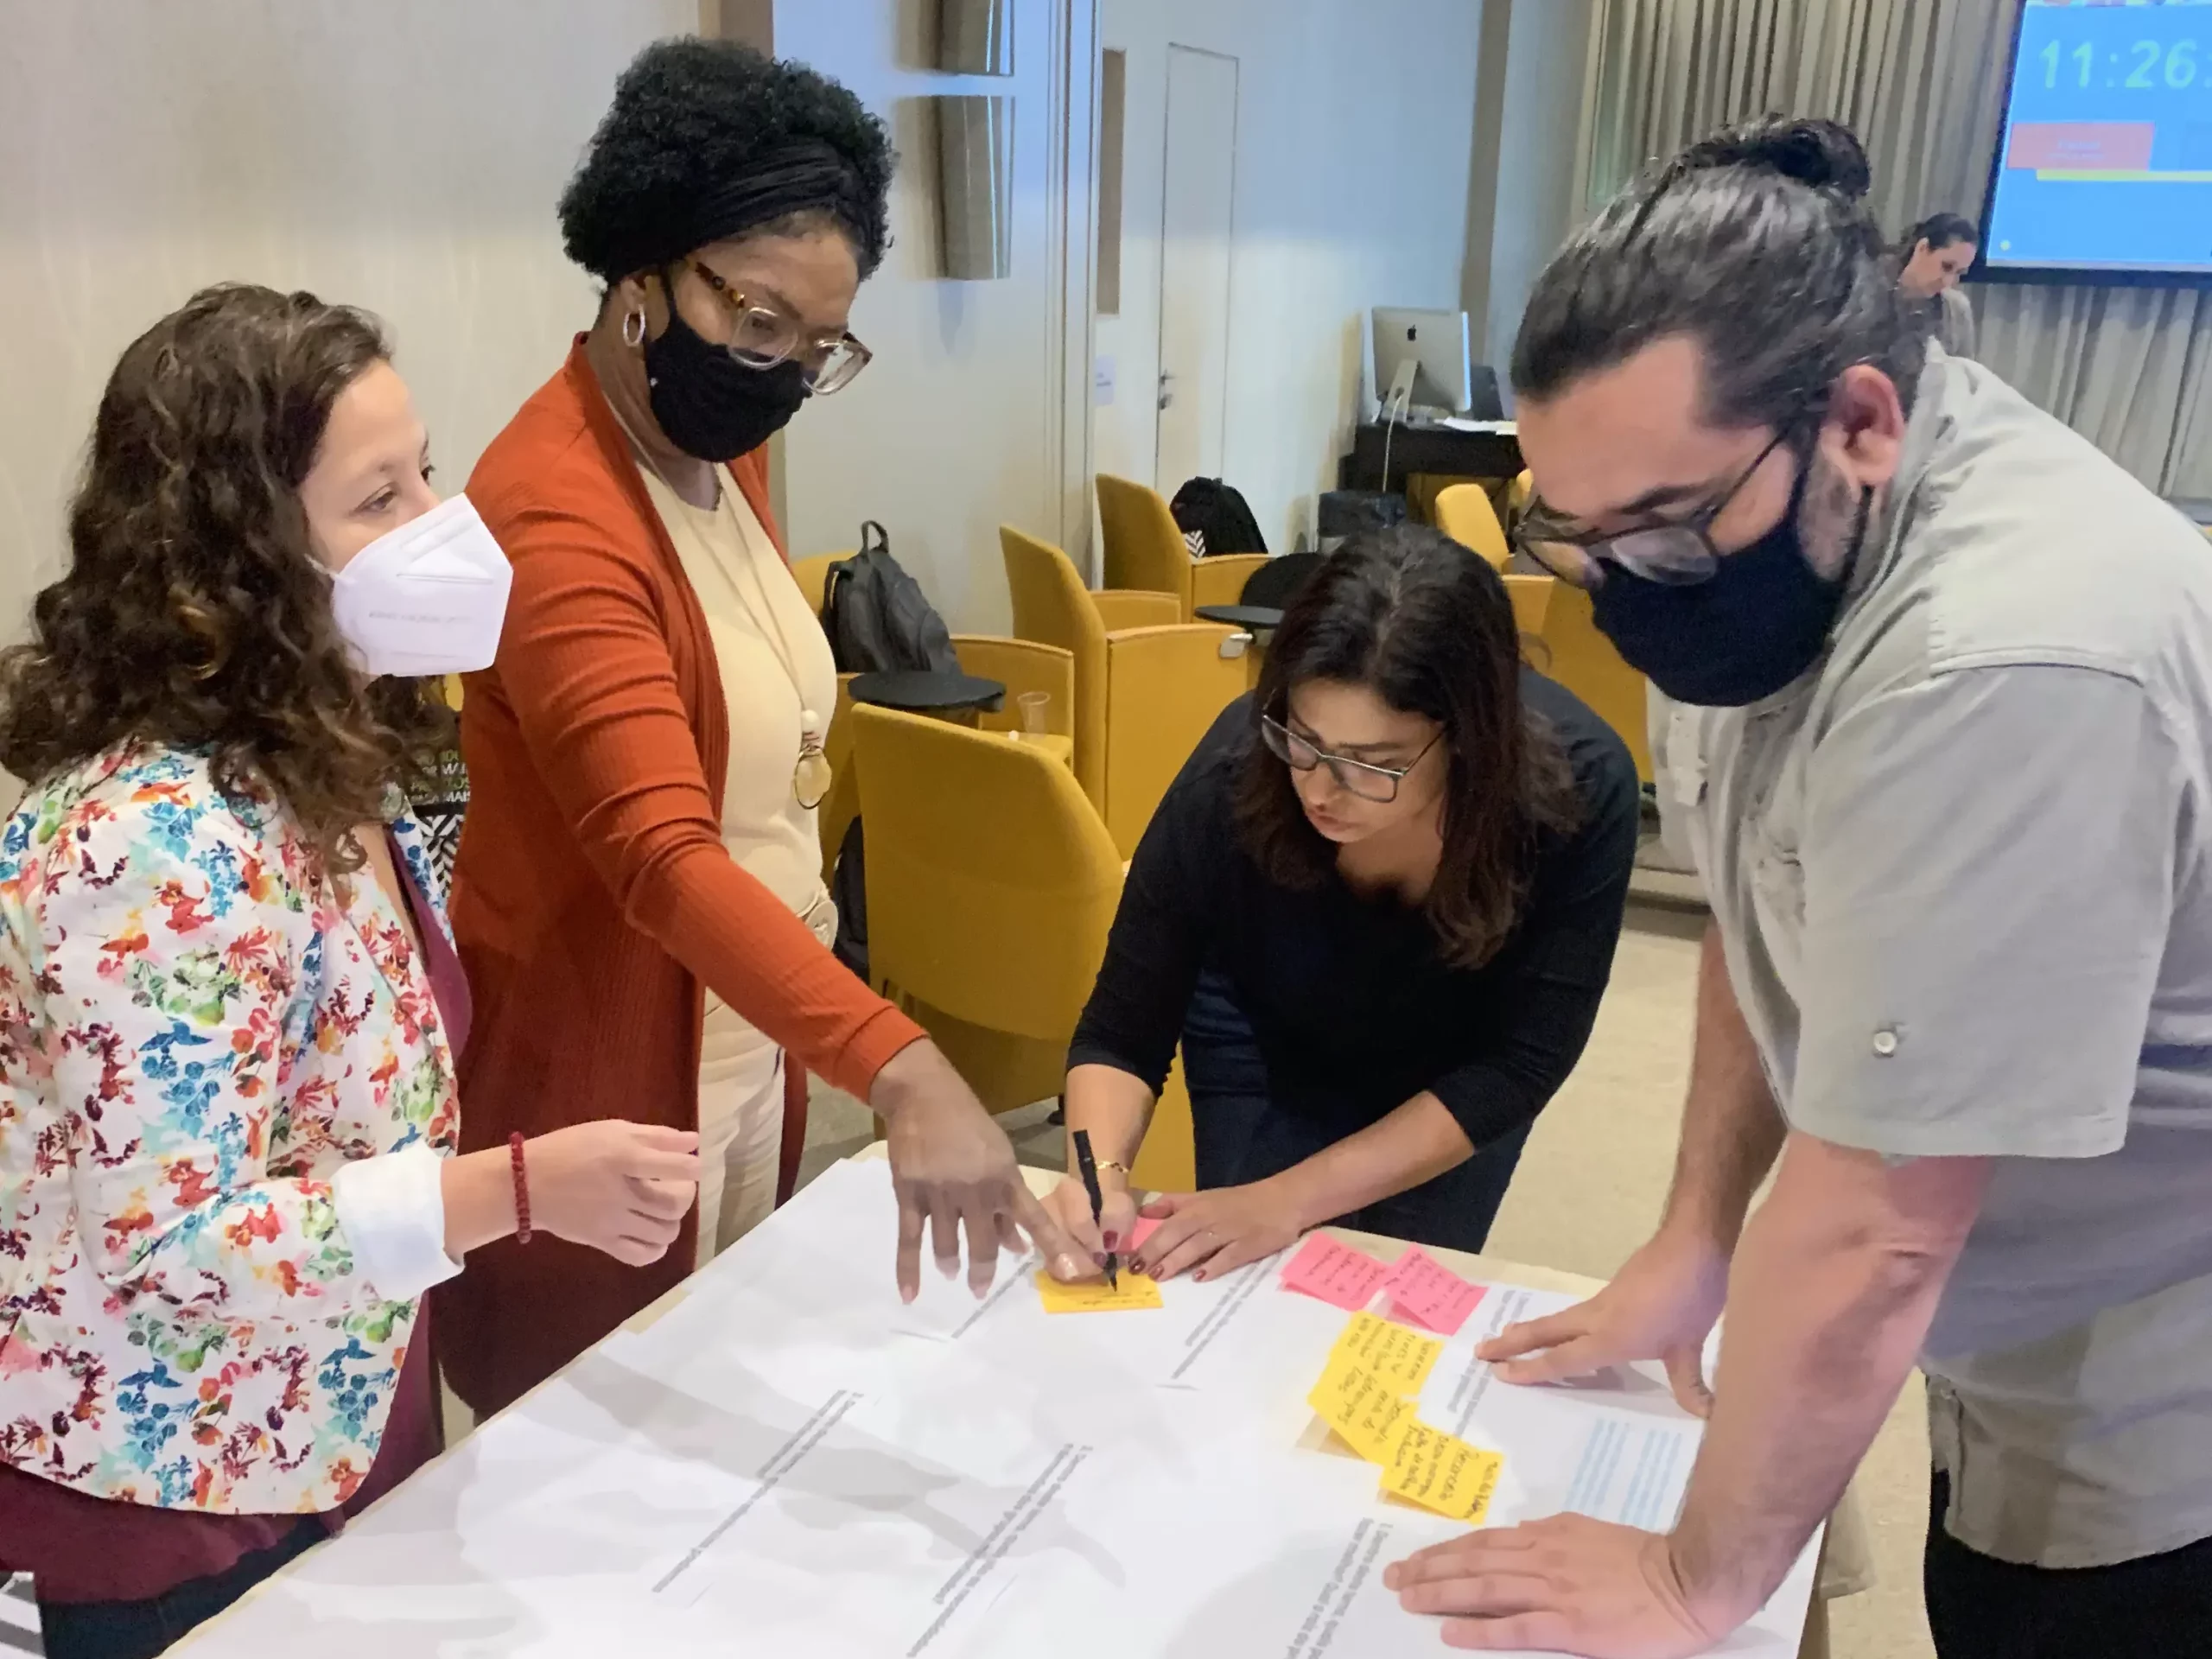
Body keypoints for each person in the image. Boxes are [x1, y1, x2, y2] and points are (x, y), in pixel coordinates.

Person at [1384, 116, 2212, 1659]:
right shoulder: (1754, 552)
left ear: (1863, 422)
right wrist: (1696, 1234)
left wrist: (1696, 1578)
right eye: (1574, 536)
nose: (1626, 585)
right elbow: (1772, 920)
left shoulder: (2005, 660)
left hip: (2158, 1390)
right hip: (2017, 1322)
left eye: (1669, 533)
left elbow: (1880, 1229)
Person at [0, 284, 699, 1659]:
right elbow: (172, 1242)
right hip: (168, 1495)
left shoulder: (307, 760)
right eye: (380, 498)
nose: (441, 523)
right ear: (239, 555)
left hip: (315, 1414)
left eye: (425, 468)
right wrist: (515, 1190)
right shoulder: (153, 842)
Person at [443, 39, 1077, 1418]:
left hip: (748, 1035)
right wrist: (899, 1064)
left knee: (720, 1390)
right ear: (641, 278)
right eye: (757, 321)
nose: (782, 367)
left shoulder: (715, 451)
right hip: (609, 1047)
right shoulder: (557, 511)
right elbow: (661, 854)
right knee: (592, 1438)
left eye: (818, 339)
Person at [1044, 525, 1638, 1281]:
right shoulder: (1238, 772)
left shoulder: (1578, 793)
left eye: (1375, 764)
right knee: (1244, 1277)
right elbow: (1124, 1027)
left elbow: (1522, 1061)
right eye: (1307, 739)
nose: (1322, 788)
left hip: (1458, 1064)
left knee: (1391, 1290)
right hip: (1268, 1018)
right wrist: (1096, 1181)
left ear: (1472, 743)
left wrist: (1290, 1199)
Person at [1895, 210, 1978, 359]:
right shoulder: (1871, 292)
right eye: (1946, 266)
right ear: (1922, 248)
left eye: (1959, 272)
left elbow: (1964, 375)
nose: (1948, 281)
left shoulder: (1957, 308)